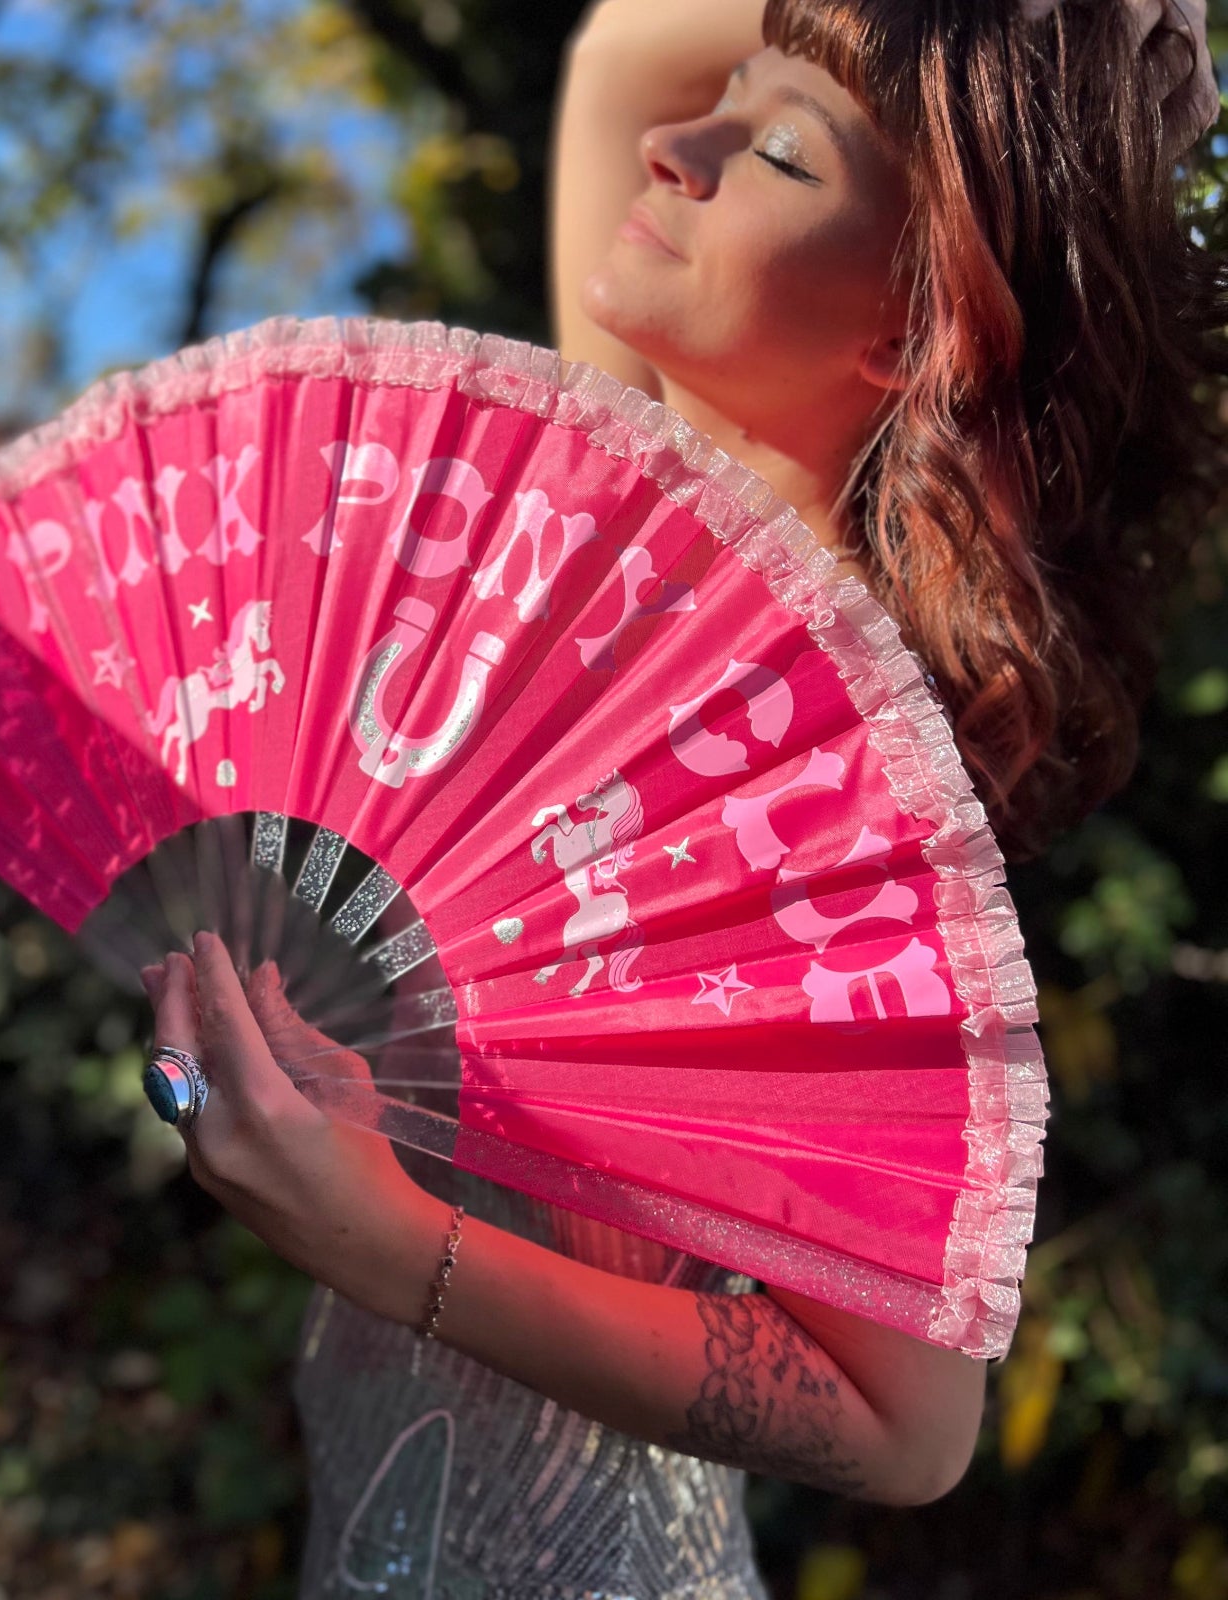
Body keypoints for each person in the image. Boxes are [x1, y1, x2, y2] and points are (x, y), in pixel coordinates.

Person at [138, 2, 1228, 1594]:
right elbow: (629, 54)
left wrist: (388, 1245)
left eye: (777, 149)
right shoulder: (617, 526)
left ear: (907, 331)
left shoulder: (829, 776)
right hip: (366, 1524)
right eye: (735, 98)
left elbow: (908, 1423)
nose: (679, 143)